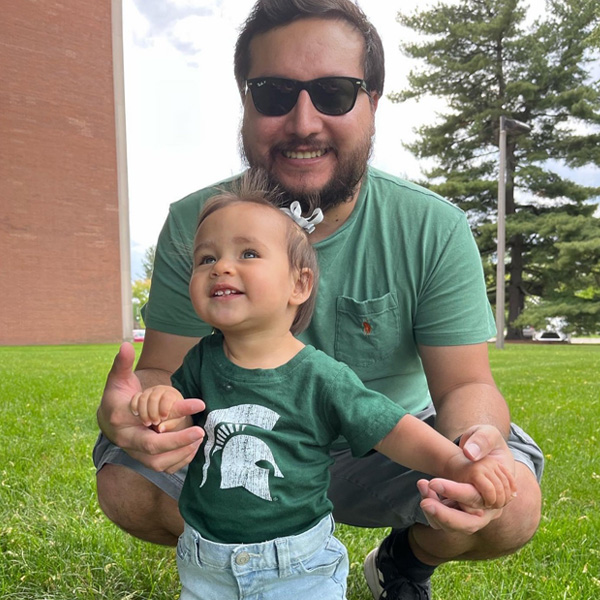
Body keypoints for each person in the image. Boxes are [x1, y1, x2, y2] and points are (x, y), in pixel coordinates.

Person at [94, 1, 544, 598]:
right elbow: (163, 367)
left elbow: (465, 385)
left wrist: (472, 451)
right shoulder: (195, 223)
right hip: (238, 440)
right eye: (274, 92)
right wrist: (142, 412)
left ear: (374, 103)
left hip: (388, 444)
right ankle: (251, 557)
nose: (303, 121)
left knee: (508, 498)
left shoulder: (432, 225)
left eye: (334, 92)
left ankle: (404, 561)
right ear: (245, 102)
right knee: (130, 483)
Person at [128, 181, 516, 599]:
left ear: (300, 284)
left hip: (298, 565)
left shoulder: (320, 375)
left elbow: (391, 428)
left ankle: (397, 562)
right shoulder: (201, 360)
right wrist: (163, 406)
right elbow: (181, 418)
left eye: (248, 253)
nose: (221, 267)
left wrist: (456, 462)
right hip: (206, 561)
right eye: (206, 258)